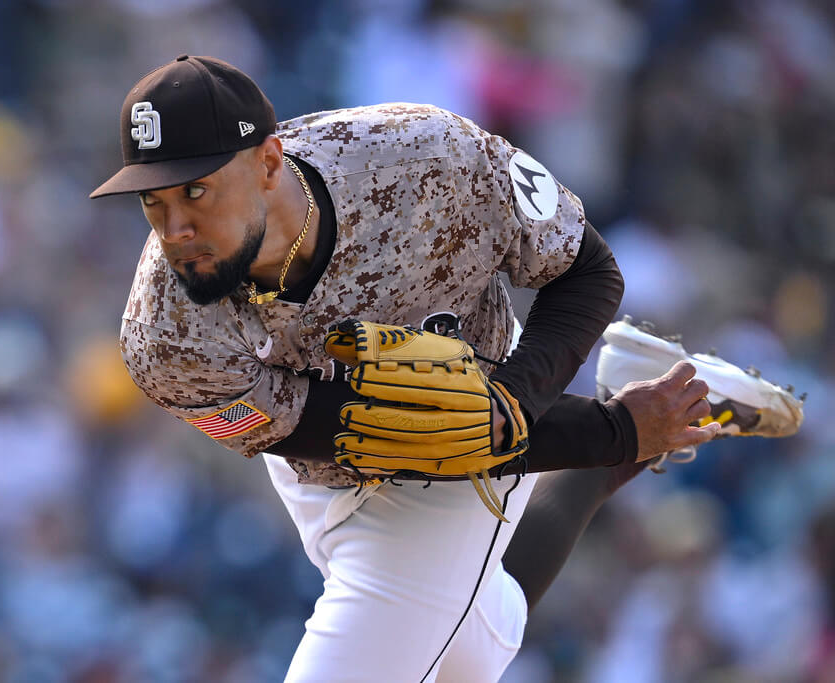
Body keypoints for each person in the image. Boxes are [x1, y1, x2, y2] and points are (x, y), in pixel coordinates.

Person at [90, 55, 721, 682]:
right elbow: (365, 432)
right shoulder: (165, 337)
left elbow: (587, 270)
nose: (174, 229)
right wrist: (617, 434)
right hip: (321, 456)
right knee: (468, 647)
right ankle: (608, 465)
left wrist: (529, 405)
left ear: (269, 162)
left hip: (486, 382)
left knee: (397, 627)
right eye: (153, 200)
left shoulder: (424, 157)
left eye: (195, 190)